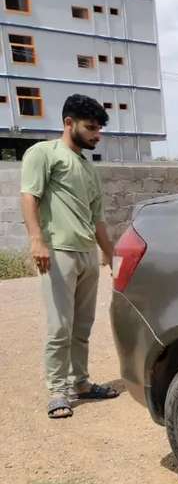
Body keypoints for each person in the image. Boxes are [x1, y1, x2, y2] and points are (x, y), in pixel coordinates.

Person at [21, 94, 120, 419]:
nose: (96, 135)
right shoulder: (44, 154)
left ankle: (80, 383)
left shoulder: (89, 169)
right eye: (90, 128)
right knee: (59, 327)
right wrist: (37, 240)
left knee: (82, 325)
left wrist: (111, 256)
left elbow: (97, 220)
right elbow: (30, 196)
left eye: (98, 130)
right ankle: (57, 391)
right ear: (68, 123)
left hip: (86, 254)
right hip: (57, 252)